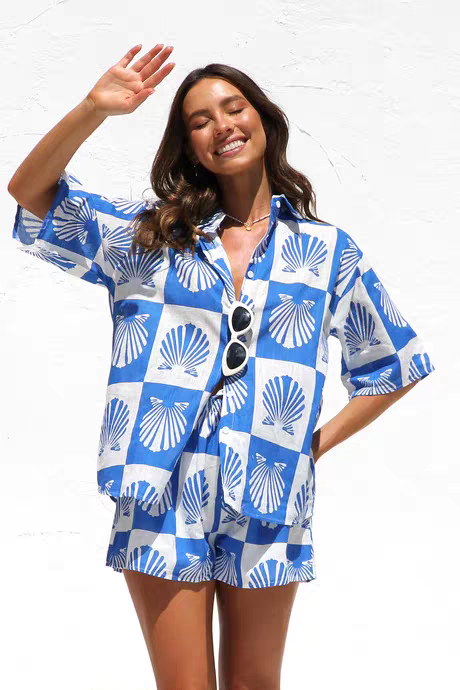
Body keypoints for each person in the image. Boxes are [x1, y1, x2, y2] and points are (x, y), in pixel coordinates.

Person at [8, 43, 435, 690]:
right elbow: (31, 193)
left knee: (254, 684)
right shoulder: (149, 238)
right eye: (200, 121)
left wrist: (311, 444)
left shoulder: (326, 252)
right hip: (160, 484)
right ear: (188, 146)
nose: (222, 126)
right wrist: (94, 108)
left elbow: (393, 364)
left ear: (263, 119)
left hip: (270, 486)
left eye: (234, 108)